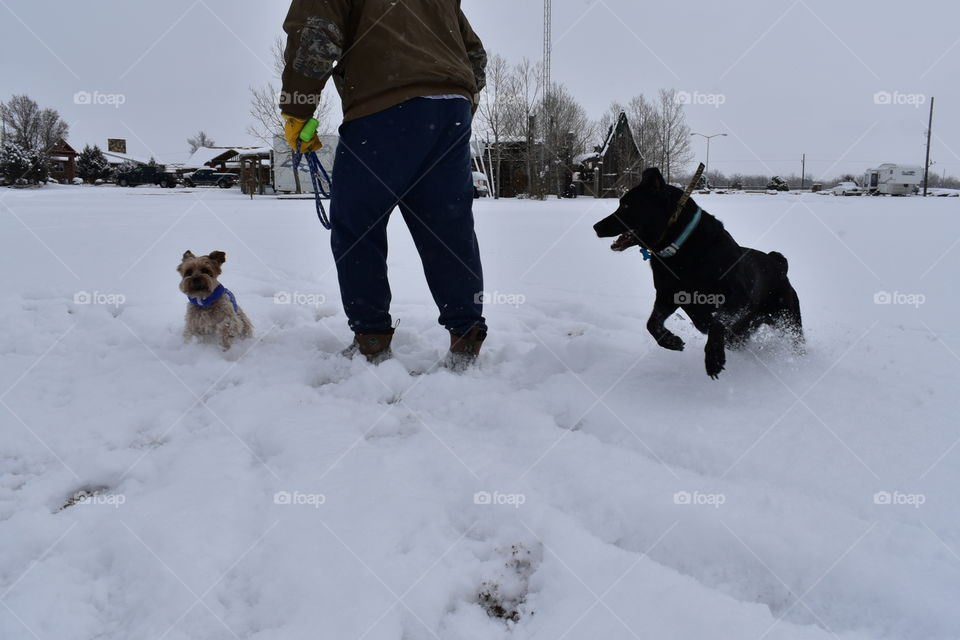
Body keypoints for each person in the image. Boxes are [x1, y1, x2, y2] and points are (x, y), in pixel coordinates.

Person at [279, 0, 488, 367]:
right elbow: (475, 55)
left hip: (383, 104)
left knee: (358, 226)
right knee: (447, 226)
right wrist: (460, 101)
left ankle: (371, 338)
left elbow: (315, 34)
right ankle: (465, 334)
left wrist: (298, 108)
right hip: (450, 109)